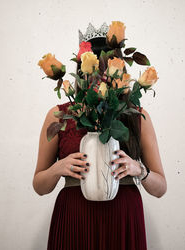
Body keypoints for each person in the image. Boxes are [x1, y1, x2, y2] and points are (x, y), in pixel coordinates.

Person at [33, 35, 167, 250]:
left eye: (107, 68)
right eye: (94, 68)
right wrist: (58, 168)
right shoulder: (59, 115)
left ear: (119, 70)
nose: (100, 76)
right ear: (82, 72)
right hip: (75, 217)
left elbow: (160, 189)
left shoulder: (136, 115)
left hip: (123, 215)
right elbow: (39, 186)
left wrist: (138, 169)